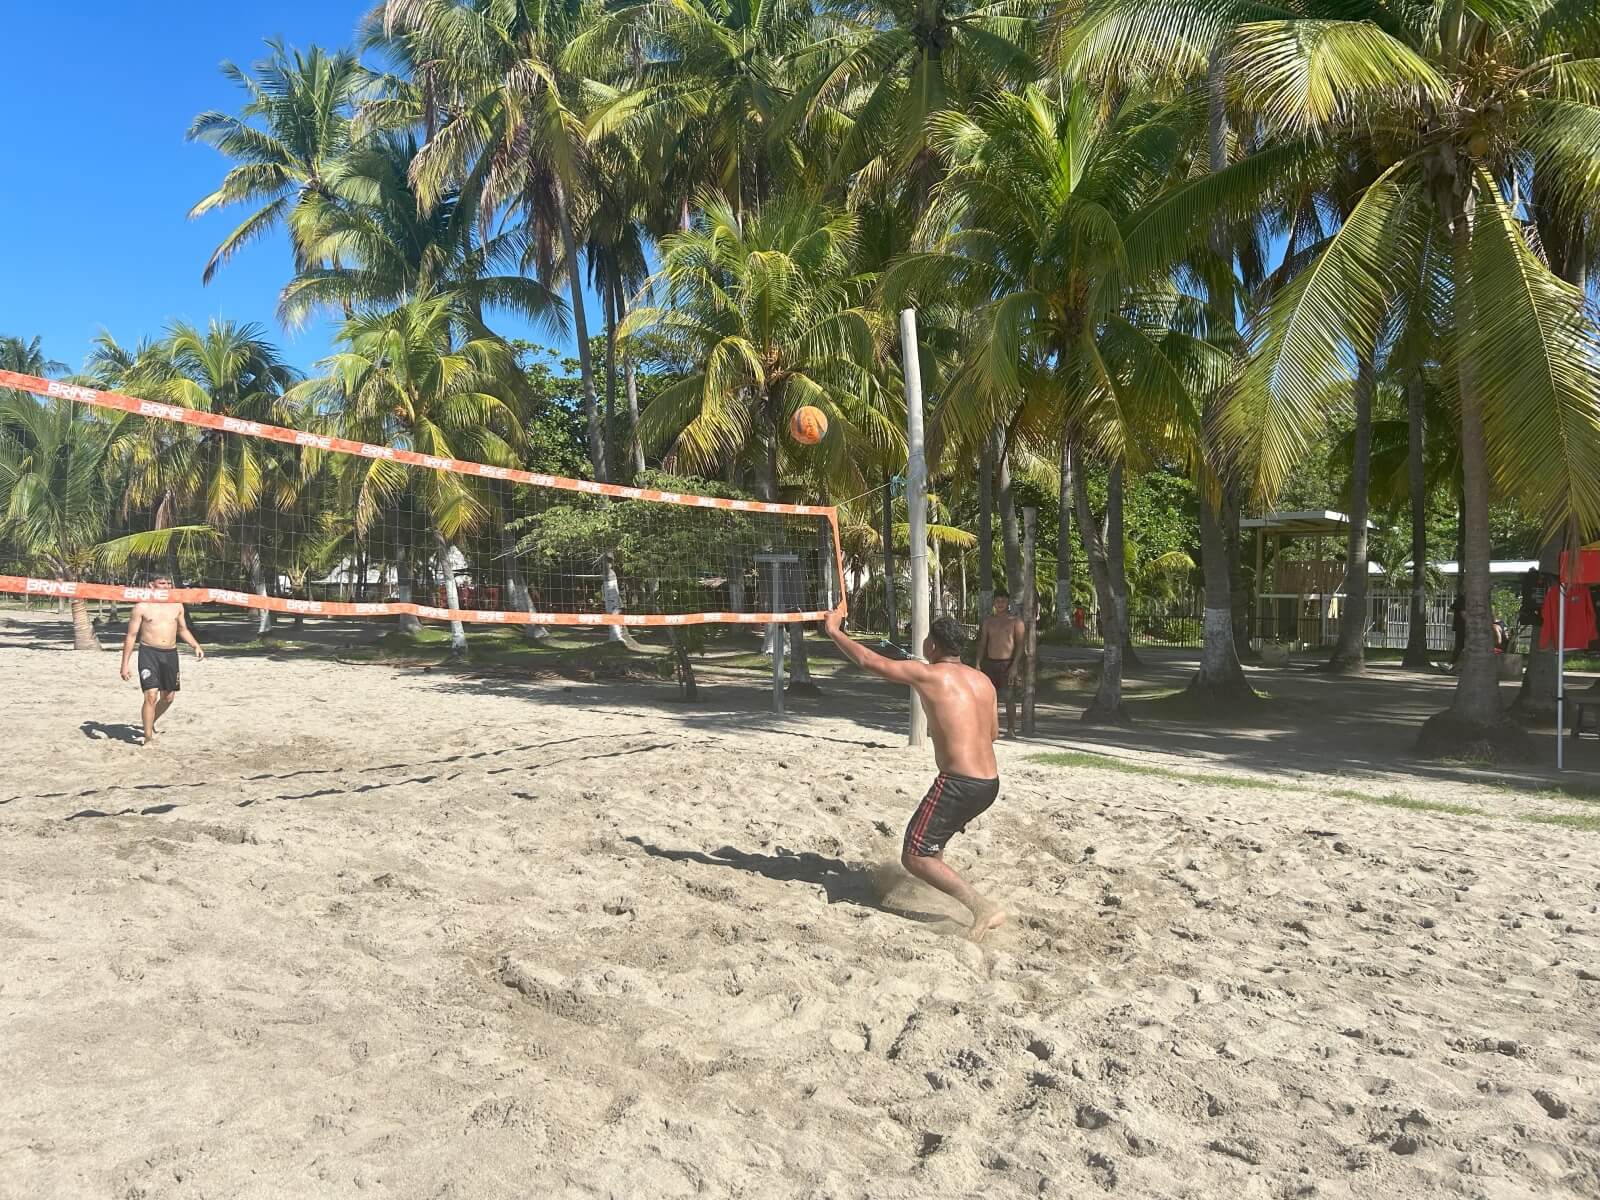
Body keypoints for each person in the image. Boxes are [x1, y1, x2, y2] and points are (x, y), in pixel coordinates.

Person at [822, 609, 1006, 942]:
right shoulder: (984, 681)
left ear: (932, 646)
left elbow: (869, 661)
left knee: (914, 854)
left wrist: (834, 631)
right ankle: (930, 890)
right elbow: (992, 734)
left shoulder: (928, 675)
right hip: (989, 784)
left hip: (959, 784)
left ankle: (981, 906)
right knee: (931, 847)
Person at [119, 576, 203, 748]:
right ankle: (148, 737)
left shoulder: (177, 606)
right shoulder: (142, 607)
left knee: (168, 697)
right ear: (152, 585)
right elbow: (131, 636)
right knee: (151, 695)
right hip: (148, 653)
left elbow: (182, 629)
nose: (166, 587)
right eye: (161, 584)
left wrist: (195, 646)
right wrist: (124, 664)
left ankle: (149, 723)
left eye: (168, 584)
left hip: (170, 654)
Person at [974, 592, 1026, 737]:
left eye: (1003, 600)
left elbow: (1021, 645)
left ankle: (1011, 729)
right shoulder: (988, 622)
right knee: (988, 698)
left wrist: (1015, 666)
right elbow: (982, 644)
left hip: (1008, 663)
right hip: (990, 663)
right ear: (994, 603)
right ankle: (990, 729)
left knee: (1009, 697)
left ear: (1008, 602)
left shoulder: (1016, 621)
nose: (1000, 603)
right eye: (997, 601)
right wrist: (978, 663)